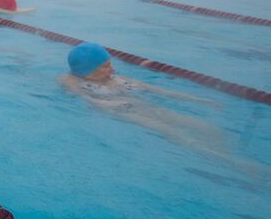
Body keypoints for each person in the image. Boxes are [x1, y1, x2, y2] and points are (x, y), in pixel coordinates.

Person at [59, 43, 229, 155]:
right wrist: (107, 103)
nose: (113, 68)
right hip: (121, 111)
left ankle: (223, 152)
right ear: (89, 70)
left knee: (207, 128)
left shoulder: (116, 78)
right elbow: (85, 98)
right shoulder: (72, 80)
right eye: (106, 66)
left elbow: (159, 90)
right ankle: (225, 160)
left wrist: (199, 100)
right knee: (171, 132)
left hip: (142, 105)